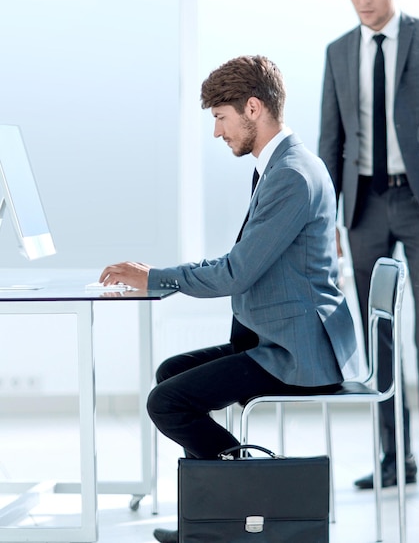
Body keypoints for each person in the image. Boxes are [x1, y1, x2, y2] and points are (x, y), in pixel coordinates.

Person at [99, 55, 359, 543]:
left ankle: (250, 509)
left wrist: (155, 276)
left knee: (166, 402)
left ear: (254, 108)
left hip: (296, 353)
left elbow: (236, 272)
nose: (217, 132)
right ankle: (224, 512)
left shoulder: (291, 175)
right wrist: (160, 276)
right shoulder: (281, 165)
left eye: (221, 117)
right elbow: (245, 261)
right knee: (171, 377)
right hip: (279, 336)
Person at [318, 0, 419, 497]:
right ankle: (395, 459)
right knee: (379, 335)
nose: (363, 0)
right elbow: (330, 140)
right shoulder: (338, 51)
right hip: (364, 207)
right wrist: (326, 222)